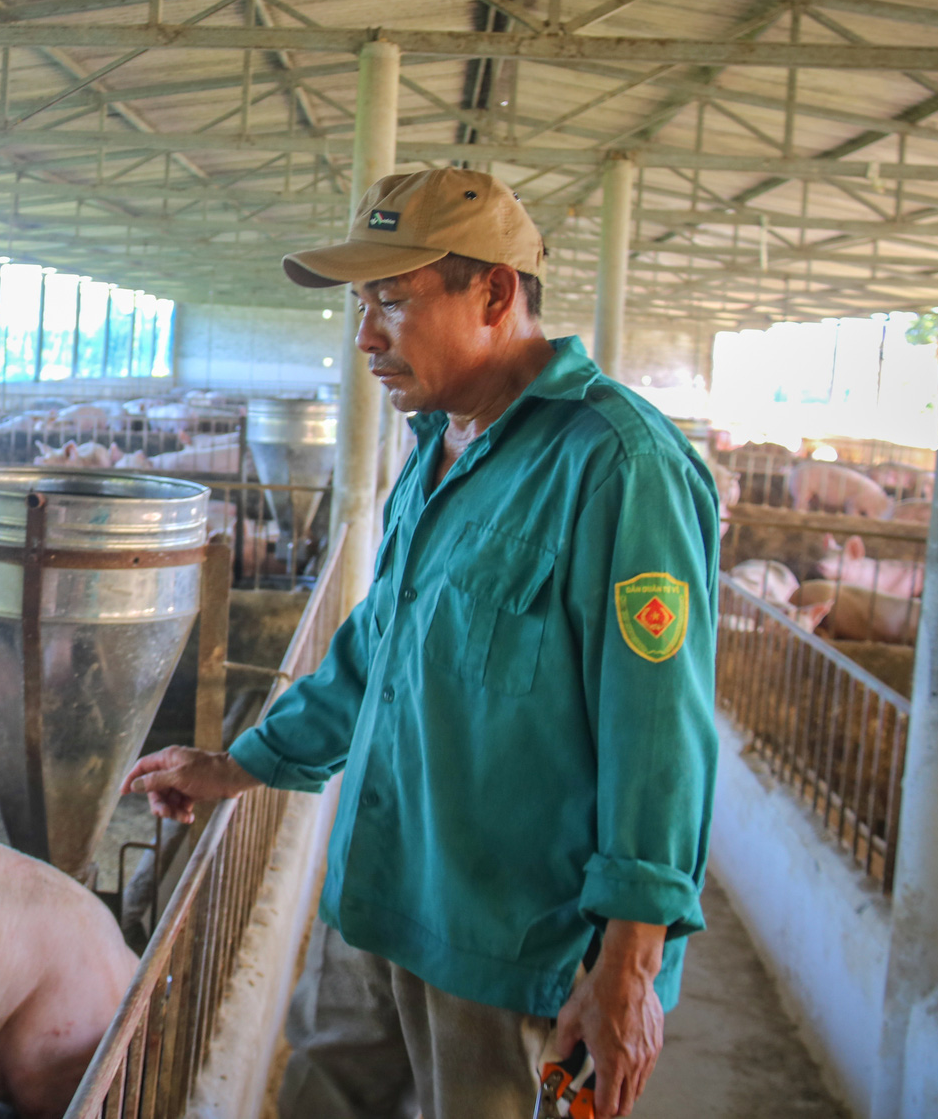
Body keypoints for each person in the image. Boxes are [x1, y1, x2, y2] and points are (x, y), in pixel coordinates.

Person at [122, 167, 718, 1119]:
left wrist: (628, 964)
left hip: (511, 948)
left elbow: (659, 735)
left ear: (493, 293)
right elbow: (376, 655)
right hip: (376, 901)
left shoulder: (618, 465)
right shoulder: (437, 441)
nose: (365, 337)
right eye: (362, 307)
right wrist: (235, 765)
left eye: (392, 303)